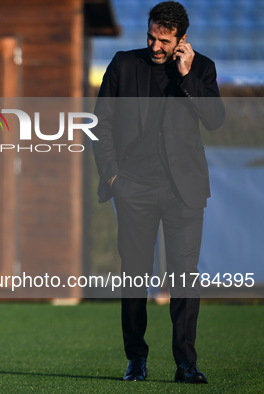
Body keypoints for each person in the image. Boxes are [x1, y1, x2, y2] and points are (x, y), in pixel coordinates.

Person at [92, 1, 224, 384]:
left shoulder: (202, 69)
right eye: (151, 37)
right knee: (134, 277)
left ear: (182, 40)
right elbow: (101, 124)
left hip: (185, 191)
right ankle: (136, 360)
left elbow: (215, 120)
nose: (154, 46)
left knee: (184, 277)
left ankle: (186, 365)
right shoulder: (122, 64)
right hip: (133, 188)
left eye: (164, 41)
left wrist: (186, 75)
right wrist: (113, 178)